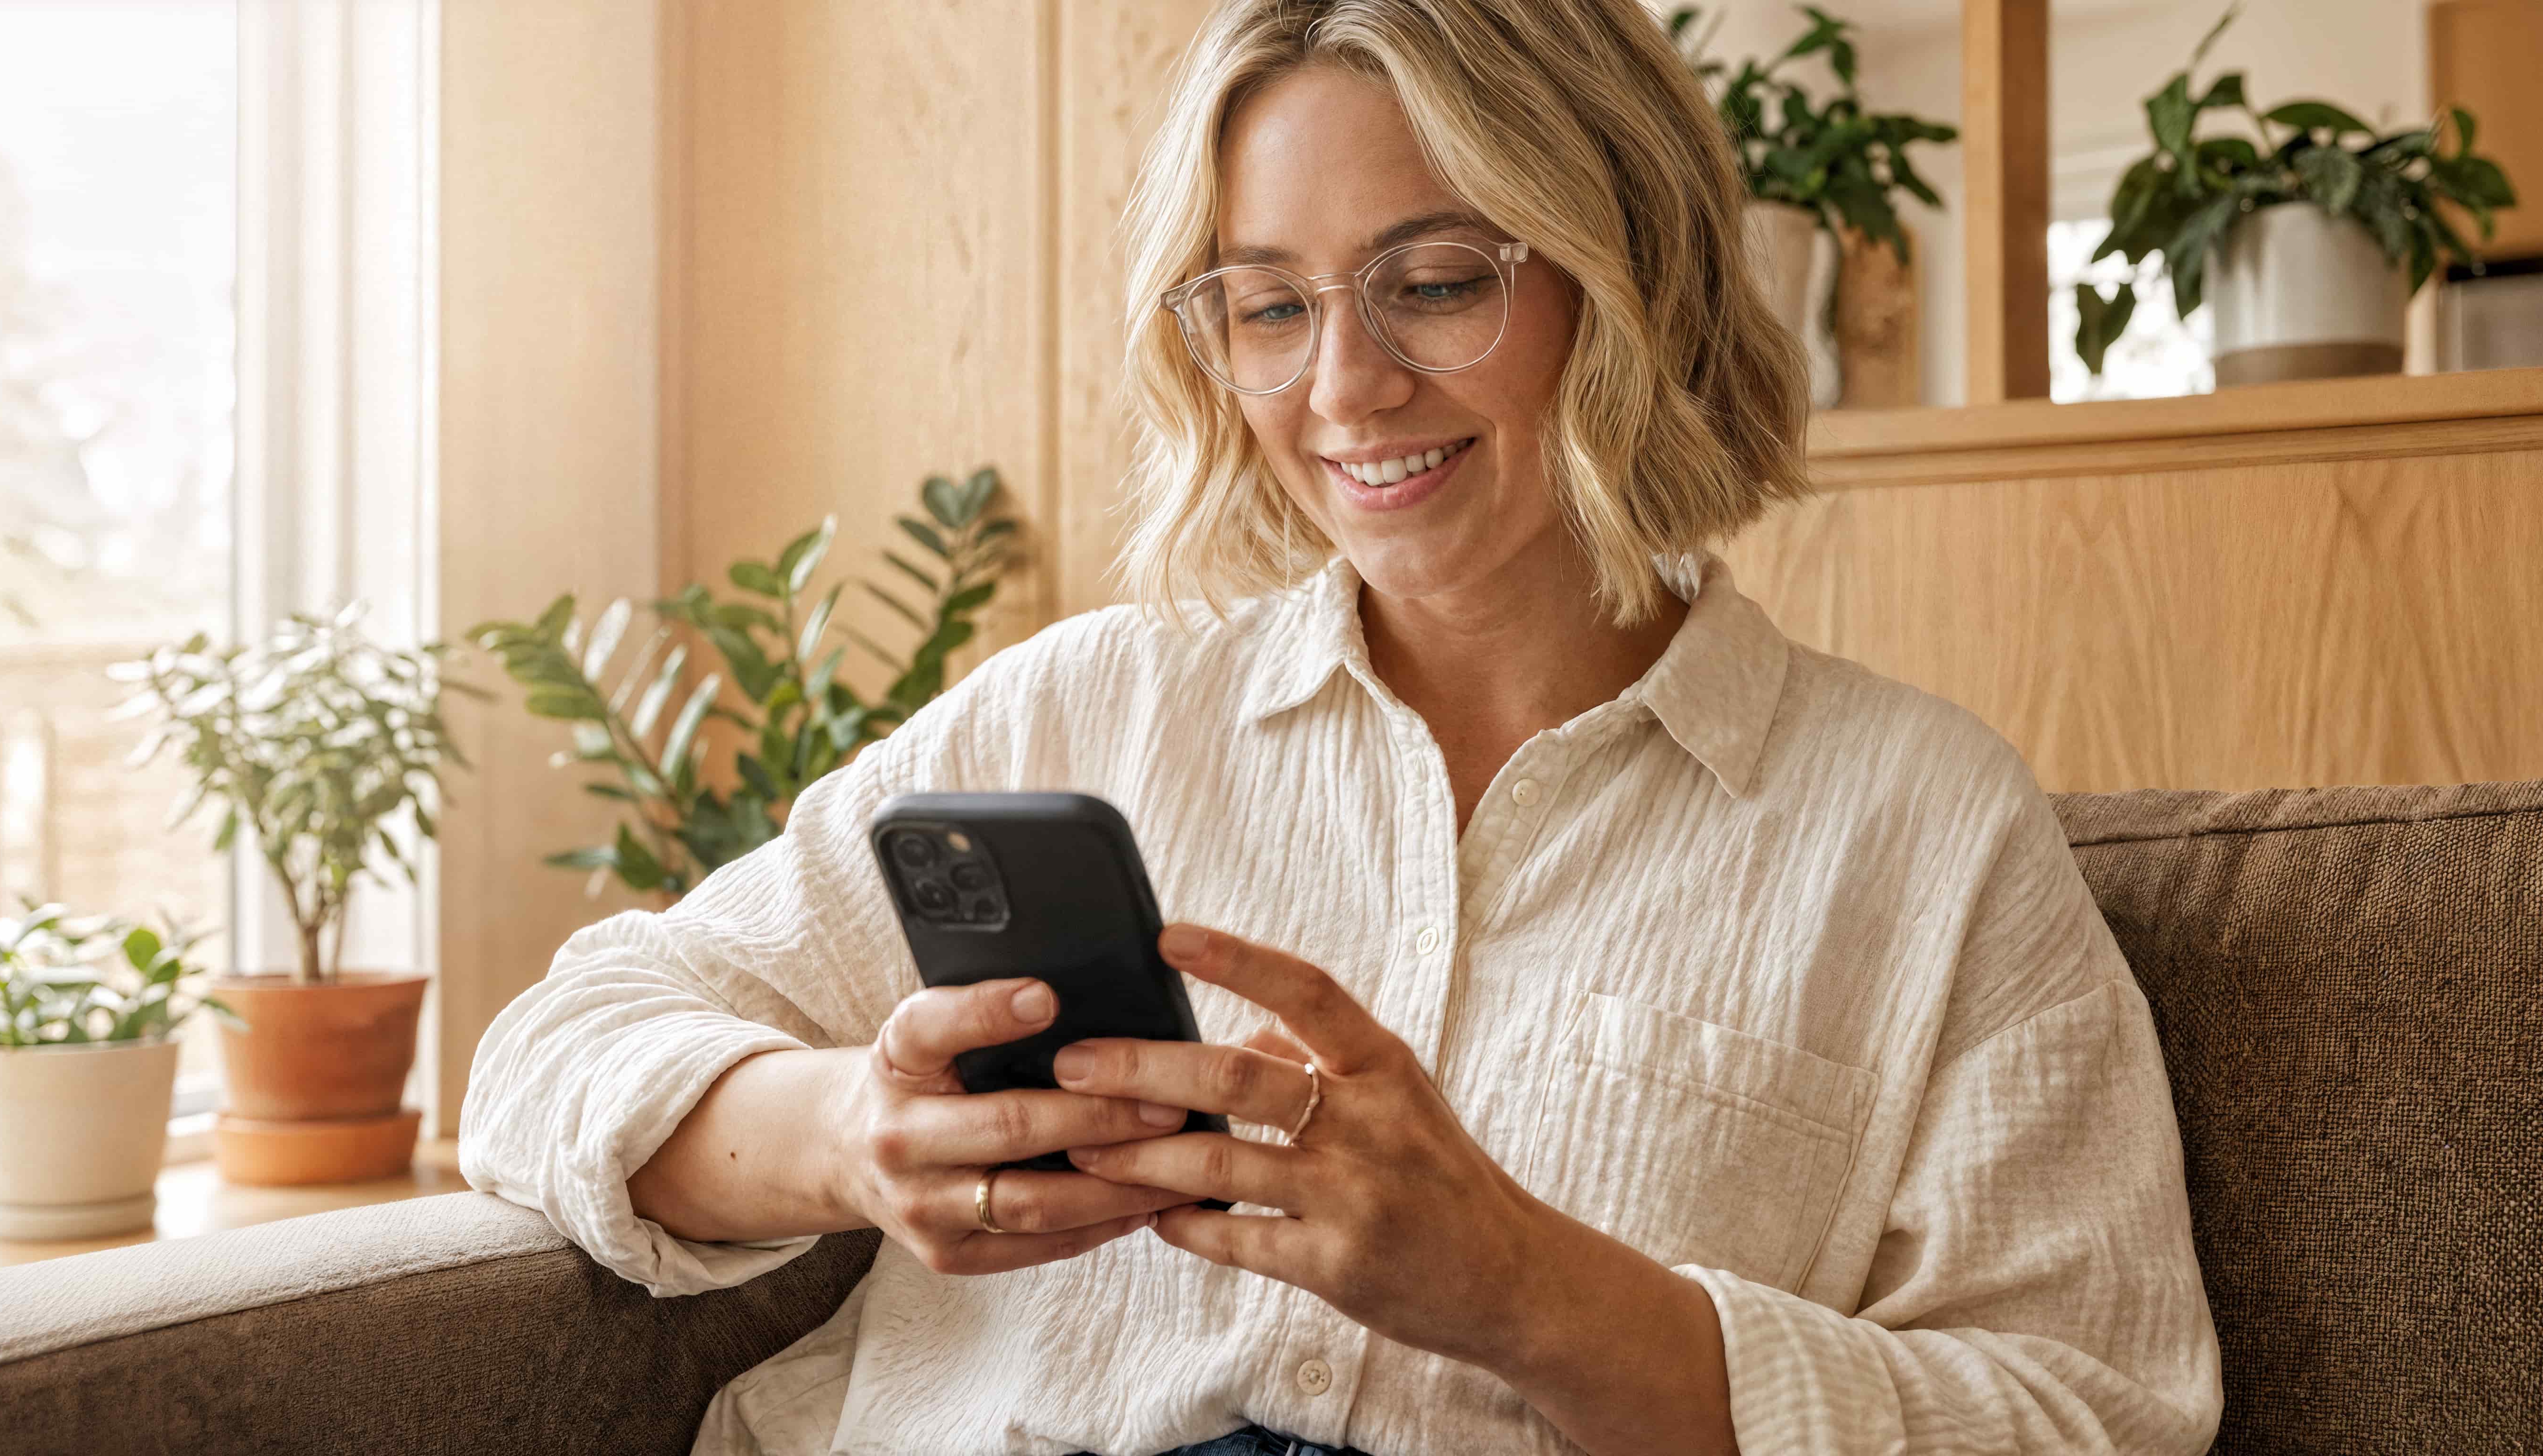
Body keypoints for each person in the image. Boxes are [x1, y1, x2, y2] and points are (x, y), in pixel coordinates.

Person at [460, 1, 2224, 1452]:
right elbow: (554, 1052)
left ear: (1633, 277)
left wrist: (1528, 1292)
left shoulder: (1921, 831)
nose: (1343, 388)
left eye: (1436, 280)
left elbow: (2098, 1414)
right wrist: (856, 1135)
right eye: (1271, 304)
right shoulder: (1084, 711)